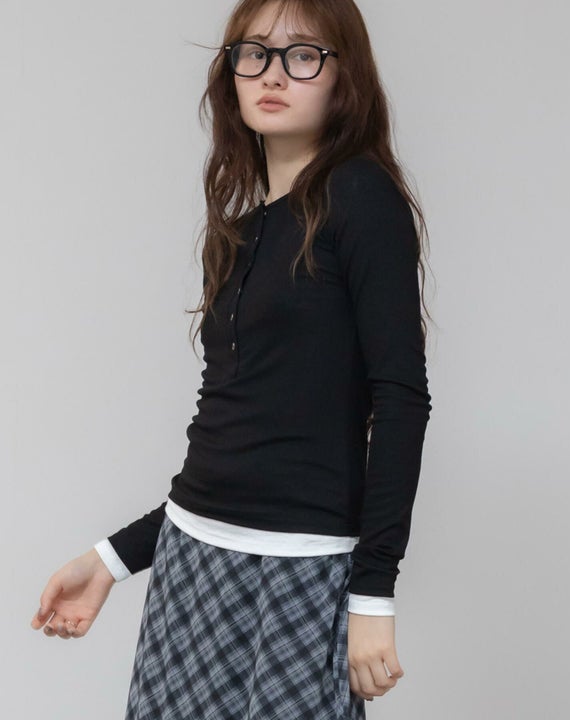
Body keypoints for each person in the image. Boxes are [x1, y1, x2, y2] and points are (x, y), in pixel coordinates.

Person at [30, 0, 433, 717]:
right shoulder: (241, 231)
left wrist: (373, 591)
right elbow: (234, 426)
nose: (273, 73)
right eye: (255, 52)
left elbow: (400, 399)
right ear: (231, 73)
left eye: (303, 54)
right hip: (191, 560)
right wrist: (112, 559)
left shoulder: (361, 197)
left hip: (301, 570)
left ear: (344, 77)